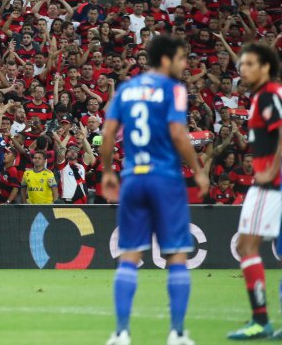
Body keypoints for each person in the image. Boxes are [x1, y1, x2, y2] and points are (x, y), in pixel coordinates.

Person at [100, 35, 208, 345]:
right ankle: (176, 333)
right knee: (175, 255)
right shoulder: (174, 89)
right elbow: (177, 132)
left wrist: (108, 172)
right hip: (165, 179)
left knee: (129, 255)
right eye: (181, 58)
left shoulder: (126, 89)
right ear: (165, 60)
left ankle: (121, 333)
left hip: (133, 178)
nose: (185, 65)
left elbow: (108, 133)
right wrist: (198, 170)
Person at [229, 43, 282, 340]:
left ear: (265, 66)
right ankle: (261, 320)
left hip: (270, 185)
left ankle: (261, 321)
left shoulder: (269, 95)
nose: (243, 69)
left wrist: (272, 170)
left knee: (247, 247)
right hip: (269, 183)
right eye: (242, 64)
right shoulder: (265, 95)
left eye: (250, 63)